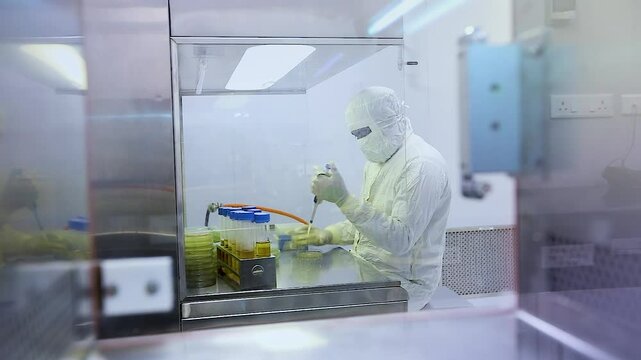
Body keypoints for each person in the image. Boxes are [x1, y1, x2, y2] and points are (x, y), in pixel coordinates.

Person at [292, 86, 451, 311]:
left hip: (405, 288)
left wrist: (344, 199)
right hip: (370, 272)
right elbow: (371, 222)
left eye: (363, 133)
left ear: (387, 122)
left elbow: (399, 240)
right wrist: (328, 234)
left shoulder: (422, 166)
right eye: (354, 135)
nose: (359, 141)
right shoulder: (378, 161)